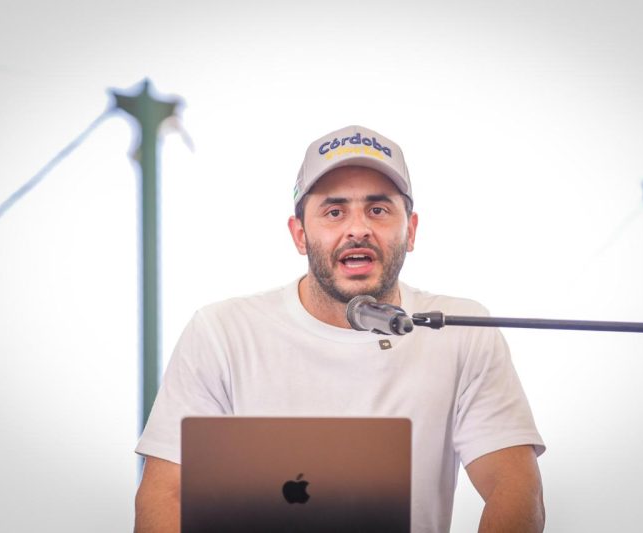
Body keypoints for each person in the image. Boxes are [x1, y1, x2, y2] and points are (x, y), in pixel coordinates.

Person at [134, 125, 546, 533]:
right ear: (300, 235)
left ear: (411, 230)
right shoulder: (222, 332)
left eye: (378, 209)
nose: (358, 228)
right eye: (334, 212)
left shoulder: (461, 331)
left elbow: (514, 488)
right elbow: (165, 495)